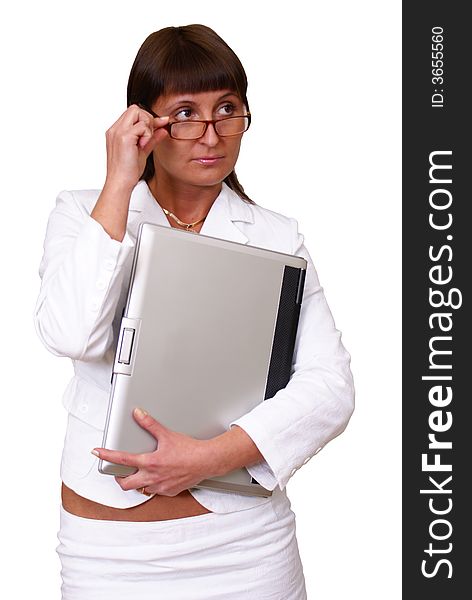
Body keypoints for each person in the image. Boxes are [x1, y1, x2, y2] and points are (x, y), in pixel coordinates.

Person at [34, 23, 355, 600]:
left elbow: (329, 387)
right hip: (109, 552)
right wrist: (118, 182)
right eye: (185, 113)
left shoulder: (277, 237)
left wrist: (210, 458)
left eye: (227, 109)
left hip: (246, 545)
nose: (211, 134)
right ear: (145, 122)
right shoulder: (86, 213)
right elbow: (69, 332)